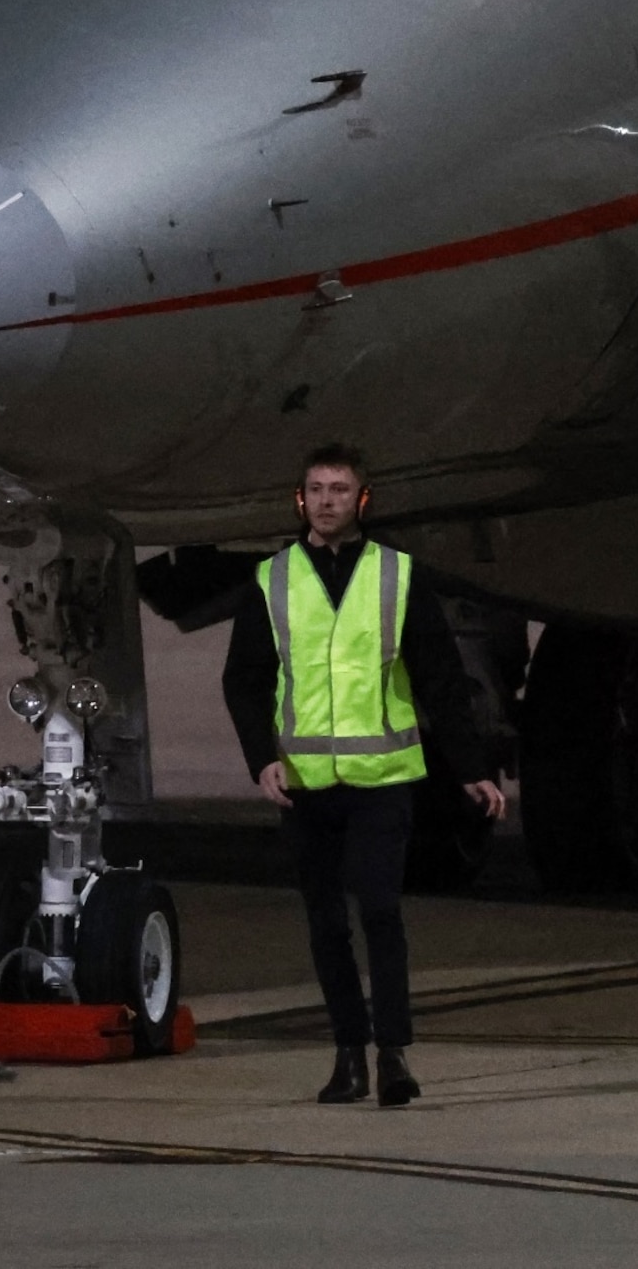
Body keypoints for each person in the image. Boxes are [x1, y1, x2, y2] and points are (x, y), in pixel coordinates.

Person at [222, 444, 506, 1106]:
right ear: (301, 501)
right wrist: (261, 756)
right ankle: (348, 1053)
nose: (326, 500)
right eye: (315, 489)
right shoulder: (272, 579)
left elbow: (441, 679)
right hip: (303, 784)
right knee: (326, 923)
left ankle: (392, 1054)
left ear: (362, 500)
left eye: (339, 490)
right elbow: (245, 678)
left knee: (380, 909)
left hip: (381, 779)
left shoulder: (399, 576)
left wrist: (470, 768)